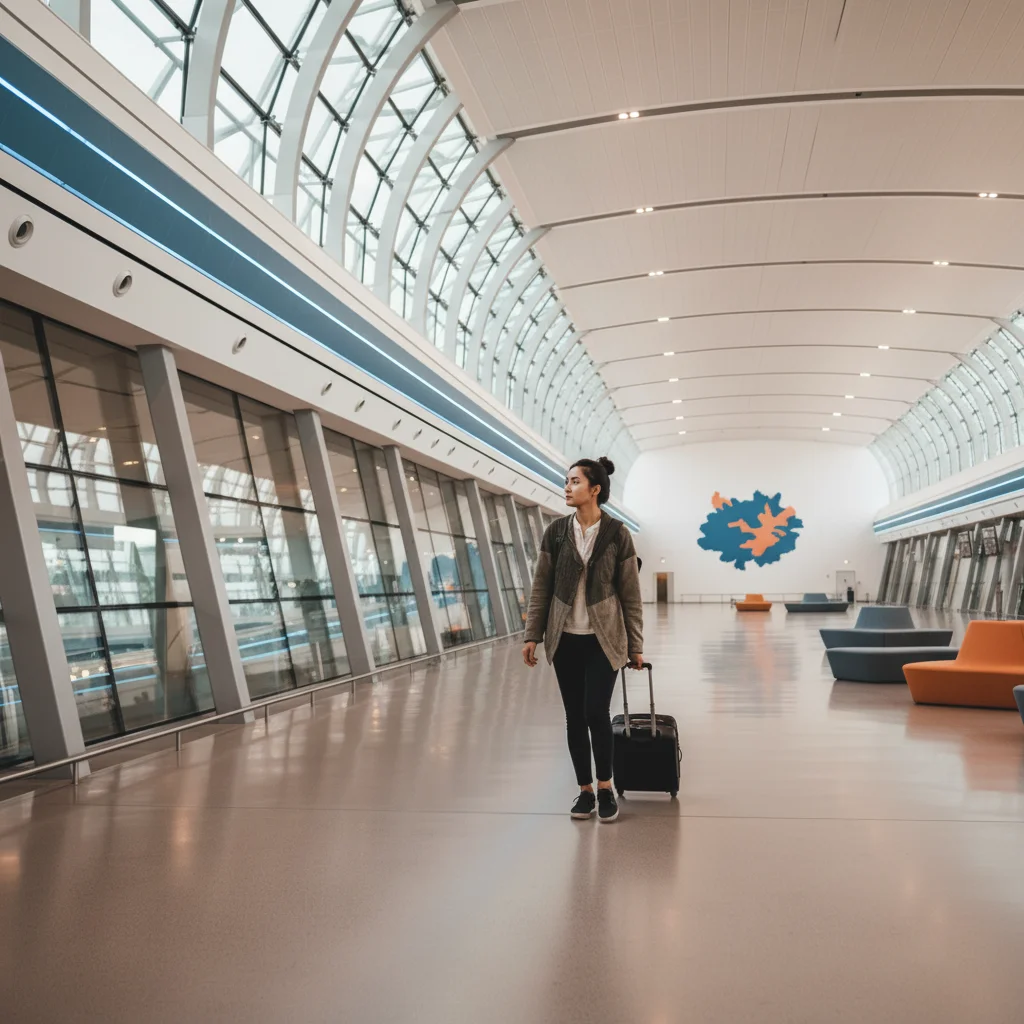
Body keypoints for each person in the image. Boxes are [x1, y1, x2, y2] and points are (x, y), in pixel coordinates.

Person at [522, 457, 644, 823]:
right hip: (565, 639)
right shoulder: (556, 532)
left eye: (574, 481)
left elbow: (630, 594)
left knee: (596, 712)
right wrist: (533, 634)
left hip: (603, 639)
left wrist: (635, 645)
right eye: (566, 481)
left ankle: (605, 786)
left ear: (595, 489)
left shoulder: (618, 534)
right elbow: (540, 587)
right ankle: (584, 791)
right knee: (574, 716)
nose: (567, 487)